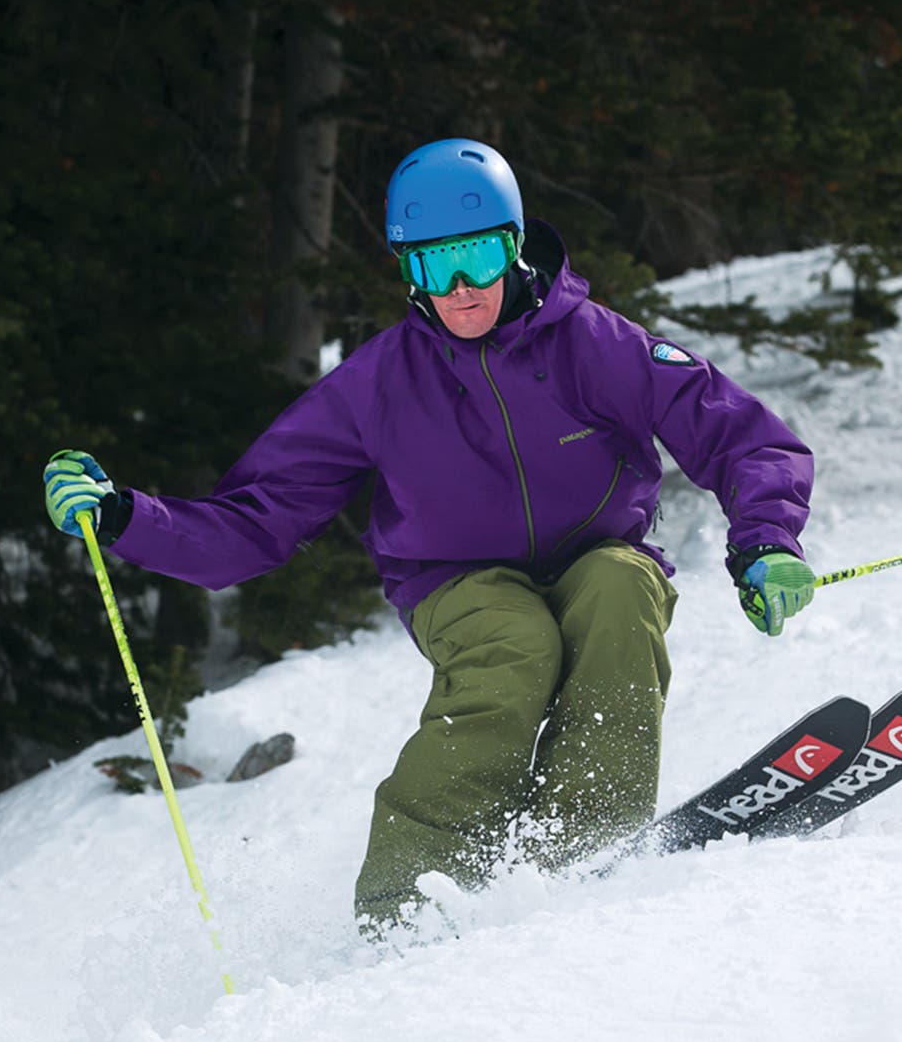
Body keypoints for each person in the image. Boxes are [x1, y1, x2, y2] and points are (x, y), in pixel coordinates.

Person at [44, 138, 815, 931]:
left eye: (478, 257)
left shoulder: (597, 344)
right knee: (515, 647)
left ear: (514, 247)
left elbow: (742, 436)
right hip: (455, 579)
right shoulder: (378, 384)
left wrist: (766, 540)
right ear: (406, 270)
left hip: (598, 552)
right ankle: (403, 899)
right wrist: (125, 518)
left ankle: (580, 844)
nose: (460, 289)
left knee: (620, 596)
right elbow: (258, 517)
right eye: (432, 266)